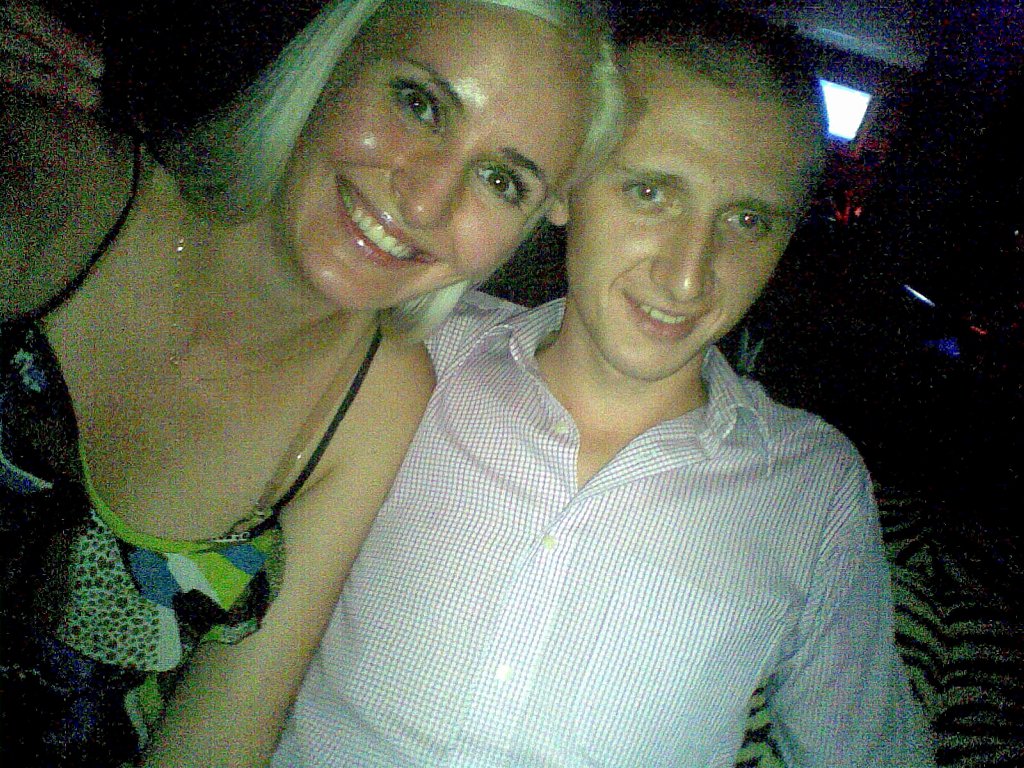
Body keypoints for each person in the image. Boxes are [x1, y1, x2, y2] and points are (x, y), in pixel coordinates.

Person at [273, 8, 935, 767]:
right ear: (565, 188)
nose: (686, 278)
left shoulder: (813, 489)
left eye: (747, 220)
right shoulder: (415, 351)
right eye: (650, 193)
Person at [0, 1, 623, 765]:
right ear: (333, 61)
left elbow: (221, 736)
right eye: (420, 103)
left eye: (501, 179)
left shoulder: (378, 402)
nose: (426, 200)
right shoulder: (59, 190)